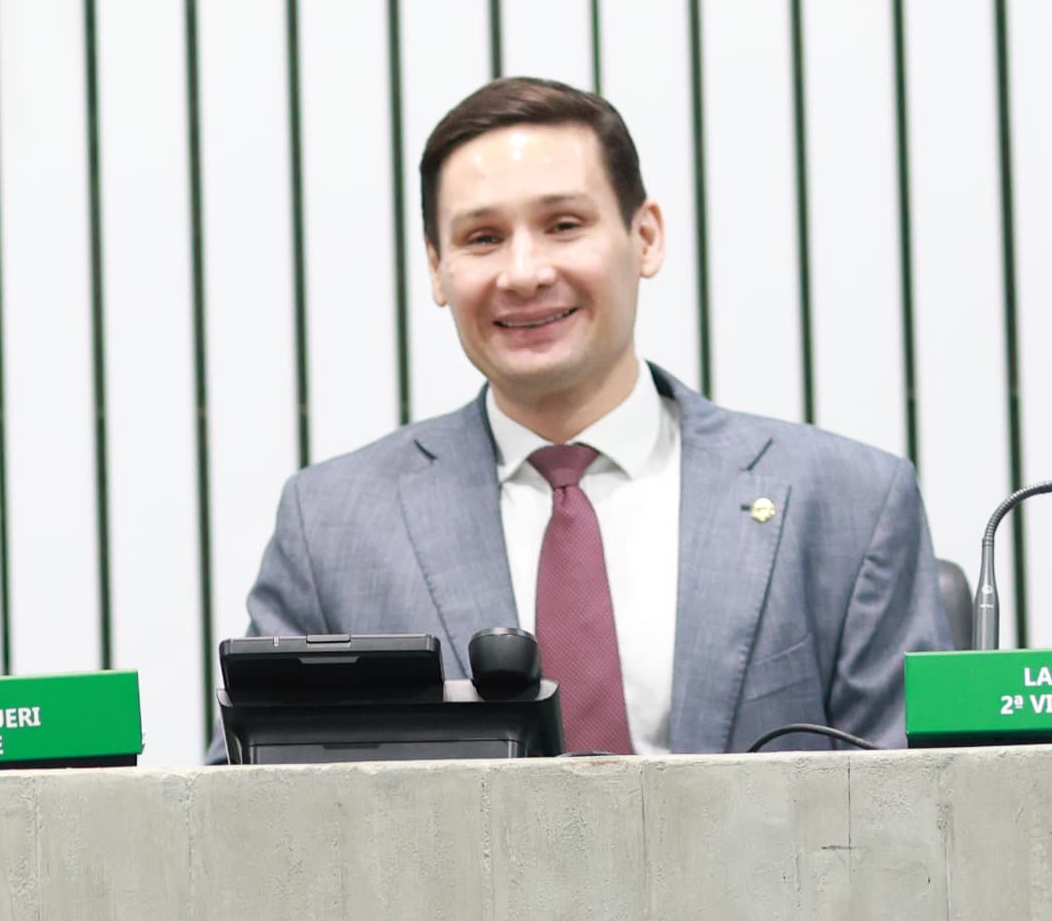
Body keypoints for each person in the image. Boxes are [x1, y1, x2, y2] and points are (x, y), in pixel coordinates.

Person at [243, 77, 944, 751]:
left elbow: (921, 809)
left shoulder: (848, 503)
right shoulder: (332, 526)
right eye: (482, 238)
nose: (523, 272)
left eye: (564, 224)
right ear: (436, 266)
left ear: (646, 236)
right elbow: (248, 813)